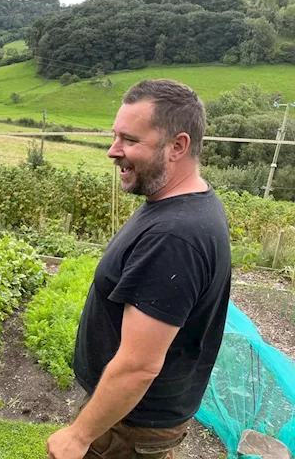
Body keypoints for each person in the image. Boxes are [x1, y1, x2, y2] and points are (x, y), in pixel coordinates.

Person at [46, 79, 231, 459]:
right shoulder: (181, 204)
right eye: (115, 136)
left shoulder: (175, 236)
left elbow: (138, 366)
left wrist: (79, 436)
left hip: (129, 426)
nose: (113, 151)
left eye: (129, 140)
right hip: (131, 417)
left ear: (177, 146)